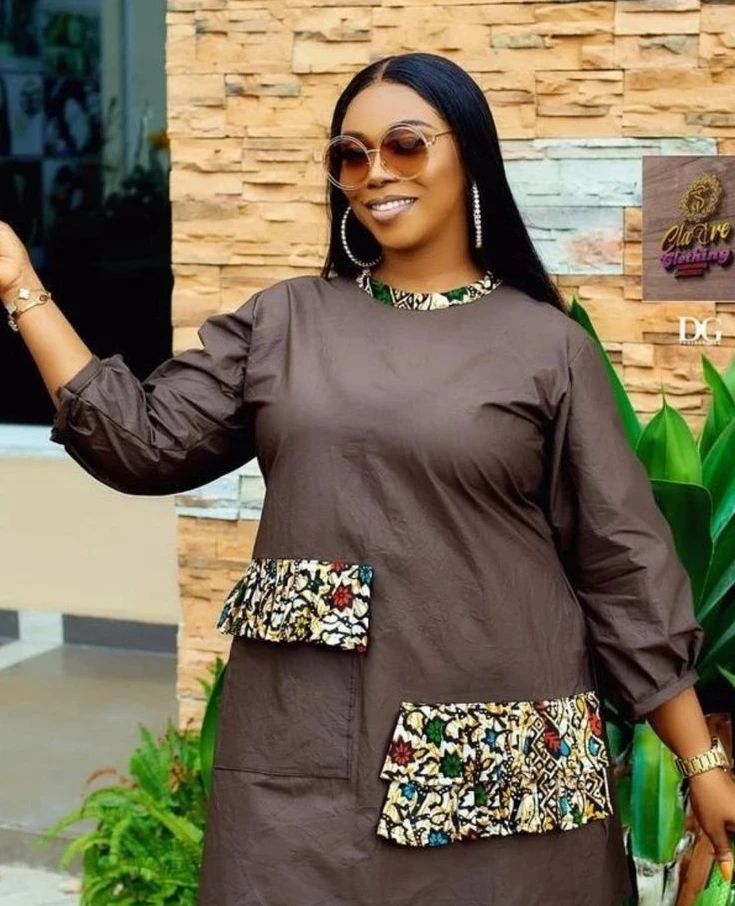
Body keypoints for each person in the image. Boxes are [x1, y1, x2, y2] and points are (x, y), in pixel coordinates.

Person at [0, 51, 733, 906]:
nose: (375, 171)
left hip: (506, 766)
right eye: (350, 155)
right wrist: (20, 284)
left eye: (405, 145)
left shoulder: (547, 345)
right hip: (304, 766)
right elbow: (141, 443)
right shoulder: (284, 323)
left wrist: (701, 761)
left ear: (469, 156)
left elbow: (621, 563)